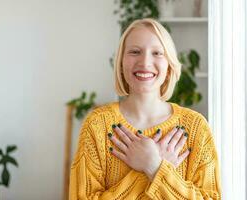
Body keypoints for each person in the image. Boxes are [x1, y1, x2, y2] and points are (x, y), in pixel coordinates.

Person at [69, 18, 221, 199]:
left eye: (157, 53)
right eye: (135, 52)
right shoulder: (97, 125)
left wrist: (155, 166)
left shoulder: (195, 127)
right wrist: (148, 170)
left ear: (169, 65)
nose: (145, 62)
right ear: (121, 63)